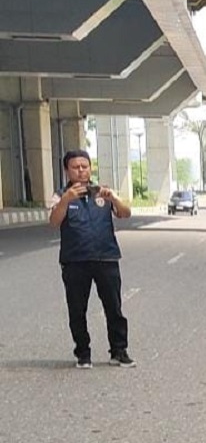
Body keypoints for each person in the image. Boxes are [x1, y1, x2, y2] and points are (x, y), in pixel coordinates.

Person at [48, 150, 136, 369]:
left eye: (84, 166)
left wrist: (114, 198)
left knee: (113, 307)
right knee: (77, 310)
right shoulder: (60, 195)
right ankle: (83, 353)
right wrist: (66, 200)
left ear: (90, 168)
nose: (81, 170)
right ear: (67, 170)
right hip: (75, 261)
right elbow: (54, 221)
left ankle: (119, 351)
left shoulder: (102, 192)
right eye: (76, 167)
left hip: (106, 258)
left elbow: (125, 213)